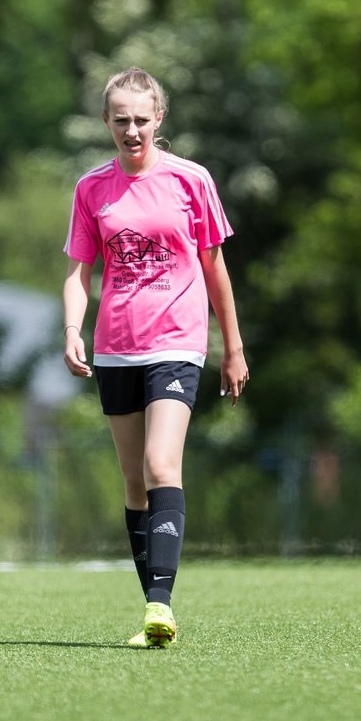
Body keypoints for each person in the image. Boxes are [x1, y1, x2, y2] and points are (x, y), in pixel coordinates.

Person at [62, 67, 249, 647]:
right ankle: (153, 605)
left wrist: (233, 346)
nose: (132, 130)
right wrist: (73, 328)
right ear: (106, 122)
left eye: (142, 119)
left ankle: (160, 607)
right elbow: (78, 271)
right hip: (115, 348)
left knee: (162, 464)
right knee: (133, 481)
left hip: (177, 342)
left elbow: (215, 267)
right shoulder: (91, 188)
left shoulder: (191, 180)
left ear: (160, 119)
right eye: (121, 120)